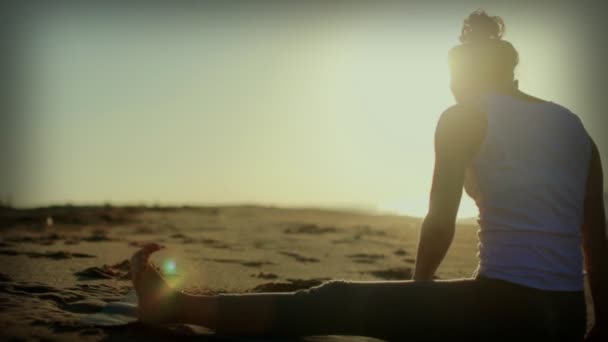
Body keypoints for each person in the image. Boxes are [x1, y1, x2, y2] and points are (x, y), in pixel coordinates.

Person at [130, 10, 607, 341]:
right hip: (562, 320)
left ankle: (174, 306)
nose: (451, 87)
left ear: (466, 73)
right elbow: (596, 240)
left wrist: (418, 296)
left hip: (501, 314)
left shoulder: (464, 116)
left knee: (333, 300)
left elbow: (440, 222)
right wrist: (600, 324)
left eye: (453, 77)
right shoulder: (575, 128)